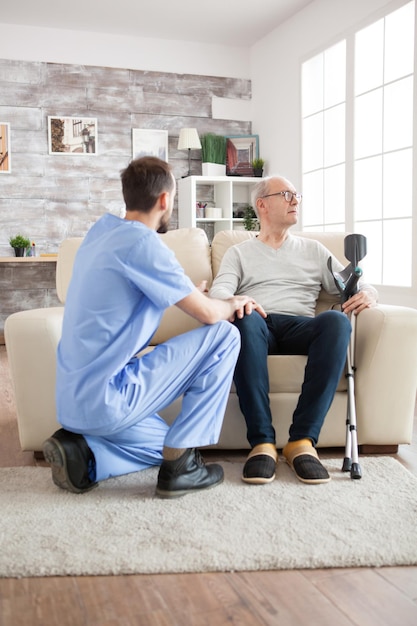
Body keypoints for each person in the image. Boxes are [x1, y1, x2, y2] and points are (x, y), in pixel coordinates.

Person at [42, 156, 262, 499]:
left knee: (162, 444)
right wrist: (229, 304)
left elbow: (126, 295)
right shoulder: (144, 244)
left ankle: (84, 453)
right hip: (108, 399)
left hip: (71, 402)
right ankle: (183, 468)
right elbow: (207, 315)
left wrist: (190, 293)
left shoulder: (100, 235)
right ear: (165, 199)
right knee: (225, 335)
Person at [209, 175, 377, 485]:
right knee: (245, 319)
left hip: (302, 326)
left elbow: (350, 280)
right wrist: (239, 300)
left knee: (336, 321)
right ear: (262, 204)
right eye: (286, 194)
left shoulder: (313, 250)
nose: (295, 201)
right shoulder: (239, 253)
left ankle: (301, 442)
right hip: (259, 324)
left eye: (296, 195)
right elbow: (219, 294)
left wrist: (367, 292)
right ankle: (262, 443)